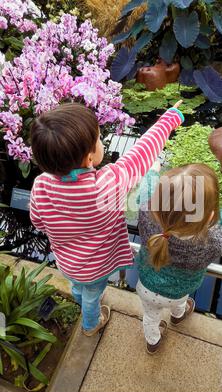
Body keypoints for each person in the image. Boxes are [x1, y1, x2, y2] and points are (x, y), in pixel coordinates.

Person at [29, 101, 184, 336]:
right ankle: (91, 323)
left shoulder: (41, 185)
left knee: (78, 287)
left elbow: (38, 222)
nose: (101, 142)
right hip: (96, 267)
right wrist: (169, 119)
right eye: (99, 139)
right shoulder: (106, 185)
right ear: (90, 158)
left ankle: (79, 296)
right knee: (92, 295)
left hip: (66, 262)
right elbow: (141, 154)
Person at [136, 163, 222, 353]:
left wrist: (151, 173)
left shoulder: (145, 215)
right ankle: (178, 315)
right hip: (179, 292)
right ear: (209, 218)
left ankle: (152, 342)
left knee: (150, 317)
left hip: (146, 289)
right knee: (180, 303)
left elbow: (145, 192)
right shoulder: (212, 243)